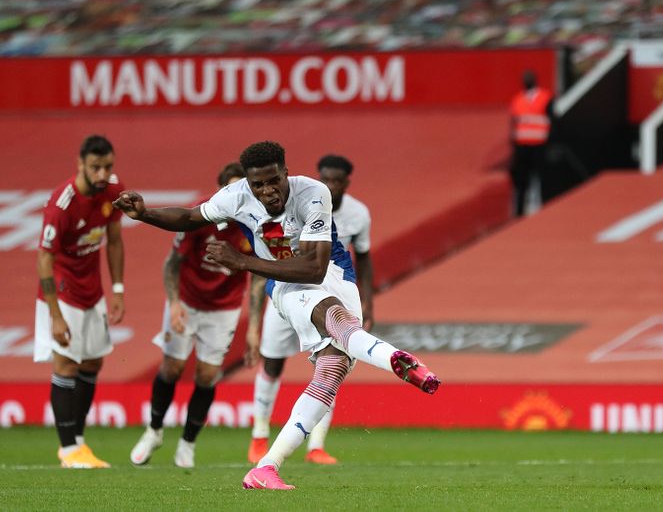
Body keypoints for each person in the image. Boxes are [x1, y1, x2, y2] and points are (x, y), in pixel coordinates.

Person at [113, 141, 440, 491]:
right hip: (284, 284)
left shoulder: (313, 192)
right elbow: (192, 218)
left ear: (286, 173)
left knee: (330, 374)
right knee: (330, 318)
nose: (267, 191)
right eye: (258, 185)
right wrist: (145, 214)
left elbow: (315, 269)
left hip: (334, 274)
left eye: (273, 181)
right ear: (249, 184)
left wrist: (243, 262)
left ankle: (266, 467)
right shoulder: (235, 195)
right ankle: (394, 357)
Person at [129, 162, 261, 468]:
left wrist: (253, 327)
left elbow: (257, 277)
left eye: (241, 189)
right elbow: (172, 263)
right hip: (187, 301)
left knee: (206, 375)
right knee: (172, 368)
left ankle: (187, 444)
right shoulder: (202, 216)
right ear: (220, 191)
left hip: (224, 309)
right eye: (229, 189)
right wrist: (174, 303)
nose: (235, 196)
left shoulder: (254, 224)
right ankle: (154, 430)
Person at [247, 154, 375, 465]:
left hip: (331, 294)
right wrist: (253, 321)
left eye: (336, 180)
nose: (329, 184)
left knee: (332, 362)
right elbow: (264, 258)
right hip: (286, 292)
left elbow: (365, 258)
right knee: (273, 363)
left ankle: (316, 446)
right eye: (325, 178)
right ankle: (259, 437)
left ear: (346, 182)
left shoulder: (358, 214)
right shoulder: (299, 202)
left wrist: (367, 302)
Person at [34, 135, 125, 469]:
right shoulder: (62, 205)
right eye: (95, 167)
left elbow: (114, 241)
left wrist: (117, 289)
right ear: (80, 164)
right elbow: (43, 259)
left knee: (92, 363)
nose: (103, 174)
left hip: (93, 291)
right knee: (66, 364)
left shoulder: (112, 191)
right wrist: (55, 316)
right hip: (63, 292)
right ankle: (68, 448)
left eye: (108, 166)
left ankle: (80, 442)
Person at [509, 69, 554, 217]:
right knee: (521, 180)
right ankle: (519, 212)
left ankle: (541, 208)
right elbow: (514, 123)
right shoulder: (517, 100)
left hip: (539, 144)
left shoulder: (545, 98)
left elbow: (552, 119)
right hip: (522, 146)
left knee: (541, 178)